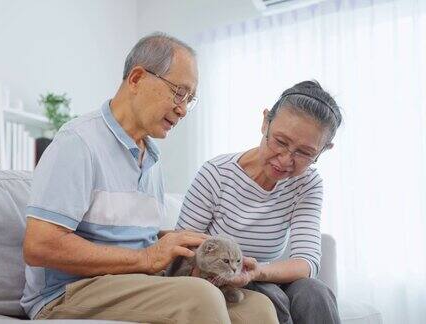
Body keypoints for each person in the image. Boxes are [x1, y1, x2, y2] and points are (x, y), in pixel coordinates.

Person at [21, 32, 278, 324]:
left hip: (136, 282)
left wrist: (183, 246)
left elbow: (131, 238)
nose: (182, 109)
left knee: (257, 307)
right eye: (179, 92)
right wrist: (147, 258)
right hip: (68, 292)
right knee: (199, 298)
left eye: (190, 100)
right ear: (137, 79)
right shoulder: (78, 142)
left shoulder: (152, 159)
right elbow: (39, 245)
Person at [177, 80, 343, 324]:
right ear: (266, 121)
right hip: (221, 279)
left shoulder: (307, 183)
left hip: (264, 274)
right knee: (271, 296)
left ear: (323, 150)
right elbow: (183, 247)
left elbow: (306, 262)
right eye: (281, 142)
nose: (286, 160)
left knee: (315, 293)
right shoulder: (217, 174)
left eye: (305, 153)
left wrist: (258, 271)